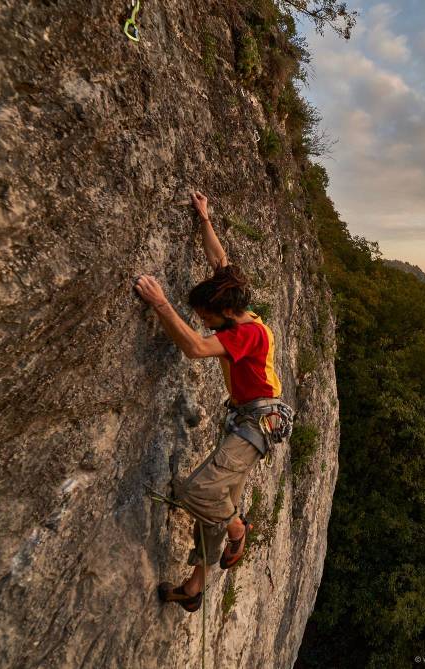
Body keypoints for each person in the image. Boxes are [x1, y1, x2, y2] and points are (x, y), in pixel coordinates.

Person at [133, 190, 287, 612]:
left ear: (222, 315)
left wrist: (162, 304)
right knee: (215, 503)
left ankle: (237, 531)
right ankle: (195, 587)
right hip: (252, 421)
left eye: (205, 317)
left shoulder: (246, 334)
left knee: (199, 492)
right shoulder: (238, 305)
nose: (202, 320)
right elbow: (220, 263)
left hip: (254, 426)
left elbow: (197, 350)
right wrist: (204, 218)